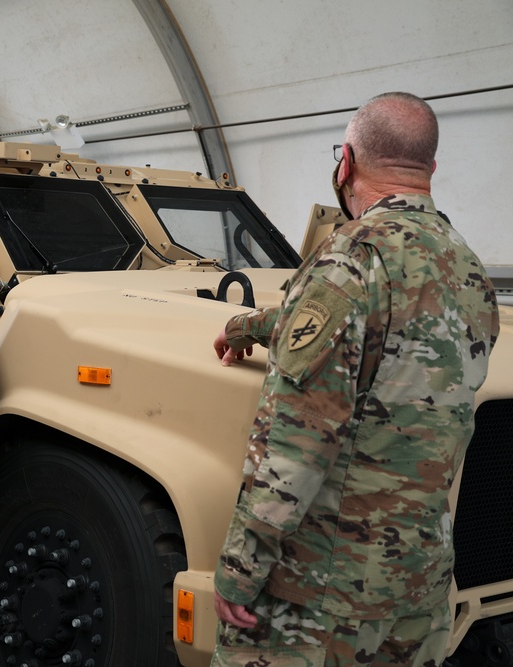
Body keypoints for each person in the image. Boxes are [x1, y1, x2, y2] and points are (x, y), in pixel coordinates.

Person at [210, 92, 500, 666]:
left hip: (326, 591)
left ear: (345, 162)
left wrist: (241, 569)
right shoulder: (465, 266)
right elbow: (388, 334)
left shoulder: (352, 260)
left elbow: (296, 443)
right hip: (419, 579)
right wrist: (252, 326)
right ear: (431, 168)